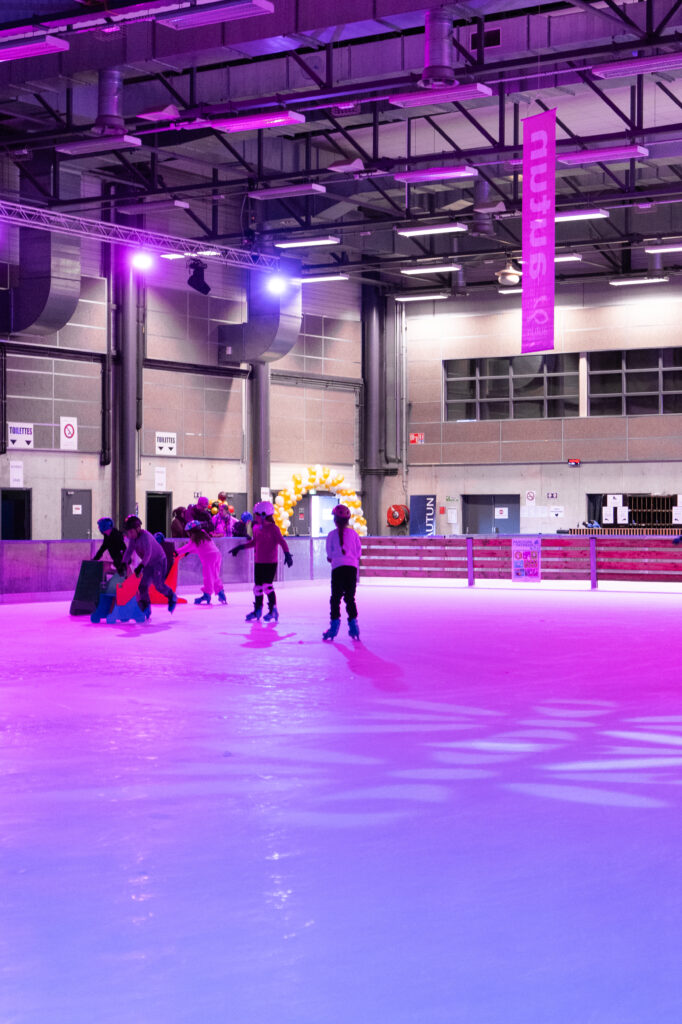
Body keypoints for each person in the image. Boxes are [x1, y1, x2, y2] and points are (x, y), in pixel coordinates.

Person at [231, 501, 292, 622]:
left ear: (264, 514)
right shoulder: (256, 528)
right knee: (257, 587)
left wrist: (287, 554)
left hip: (270, 562)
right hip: (258, 561)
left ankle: (273, 610)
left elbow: (282, 541)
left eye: (257, 515)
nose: (255, 517)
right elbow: (254, 543)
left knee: (267, 586)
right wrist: (240, 547)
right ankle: (258, 609)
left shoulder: (274, 529)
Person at [122, 514, 177, 619]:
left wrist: (141, 565)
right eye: (128, 532)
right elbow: (128, 551)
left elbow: (148, 553)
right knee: (142, 585)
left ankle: (171, 596)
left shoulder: (146, 536)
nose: (129, 535)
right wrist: (123, 563)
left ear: (138, 529)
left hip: (159, 561)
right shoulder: (133, 539)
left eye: (131, 532)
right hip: (148, 563)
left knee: (158, 585)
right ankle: (146, 606)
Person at [322, 503, 362, 641]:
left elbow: (329, 555)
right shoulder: (354, 534)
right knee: (350, 598)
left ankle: (334, 624)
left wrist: (336, 558)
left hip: (338, 569)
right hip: (351, 569)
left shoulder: (331, 535)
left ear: (335, 520)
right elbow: (358, 553)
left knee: (335, 598)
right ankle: (353, 624)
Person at [177, 520, 226, 605]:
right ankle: (221, 592)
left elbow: (186, 548)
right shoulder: (204, 534)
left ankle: (207, 594)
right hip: (217, 554)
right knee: (215, 575)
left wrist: (175, 552)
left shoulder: (195, 539)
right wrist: (189, 552)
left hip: (208, 557)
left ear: (191, 531)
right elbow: (201, 548)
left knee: (208, 576)